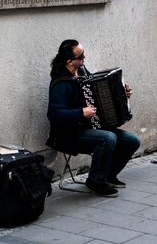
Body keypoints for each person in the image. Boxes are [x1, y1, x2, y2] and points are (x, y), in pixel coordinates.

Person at [47, 39, 140, 197]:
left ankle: (108, 175)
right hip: (69, 134)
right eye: (81, 56)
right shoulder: (60, 84)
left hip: (90, 128)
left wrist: (123, 94)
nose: (84, 59)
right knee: (108, 138)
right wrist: (81, 113)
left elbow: (100, 91)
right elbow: (54, 115)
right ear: (70, 61)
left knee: (132, 141)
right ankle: (96, 181)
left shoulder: (82, 72)